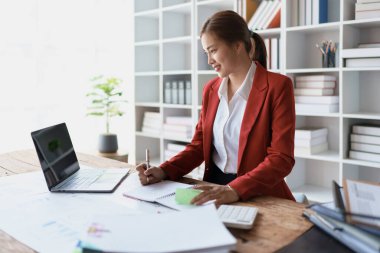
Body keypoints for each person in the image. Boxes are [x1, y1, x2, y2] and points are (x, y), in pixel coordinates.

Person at [136, 10, 296, 206]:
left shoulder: (278, 86)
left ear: (237, 46)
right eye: (206, 53)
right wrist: (163, 171)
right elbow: (198, 146)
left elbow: (281, 159)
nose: (209, 60)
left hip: (258, 191)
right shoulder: (211, 89)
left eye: (213, 50)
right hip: (214, 188)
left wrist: (235, 190)